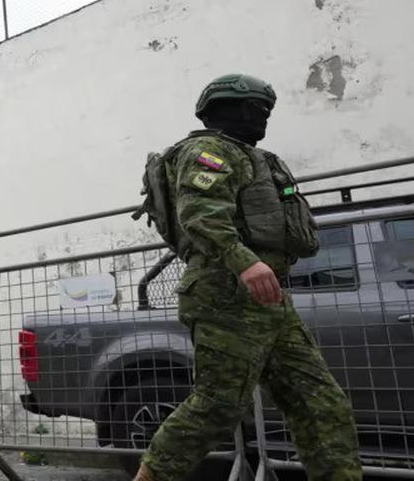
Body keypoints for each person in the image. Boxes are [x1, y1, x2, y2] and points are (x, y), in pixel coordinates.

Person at [133, 73, 361, 481]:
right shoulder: (208, 150)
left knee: (321, 402)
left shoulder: (253, 157)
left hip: (267, 297)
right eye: (259, 109)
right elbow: (201, 213)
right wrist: (244, 261)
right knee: (218, 405)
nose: (265, 119)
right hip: (225, 290)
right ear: (228, 108)